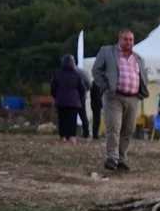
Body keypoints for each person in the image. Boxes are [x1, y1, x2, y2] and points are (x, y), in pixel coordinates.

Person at [91, 29, 149, 171]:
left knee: (128, 129)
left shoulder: (138, 58)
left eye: (131, 39)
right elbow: (96, 70)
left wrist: (141, 91)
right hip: (114, 96)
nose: (128, 42)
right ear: (119, 39)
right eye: (125, 39)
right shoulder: (107, 52)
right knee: (114, 126)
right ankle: (112, 158)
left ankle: (122, 159)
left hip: (133, 97)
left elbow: (143, 76)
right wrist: (105, 87)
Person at [50, 54, 86, 144]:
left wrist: (56, 96)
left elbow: (52, 87)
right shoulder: (77, 75)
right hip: (74, 101)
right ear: (72, 63)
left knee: (62, 119)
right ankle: (72, 137)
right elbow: (82, 88)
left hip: (61, 101)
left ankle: (63, 137)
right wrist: (80, 98)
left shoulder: (57, 74)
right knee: (72, 119)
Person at [76, 64, 92, 139]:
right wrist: (85, 91)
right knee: (83, 115)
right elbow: (89, 83)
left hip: (71, 97)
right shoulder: (82, 72)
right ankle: (86, 132)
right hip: (81, 96)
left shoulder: (66, 72)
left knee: (71, 115)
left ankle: (72, 133)